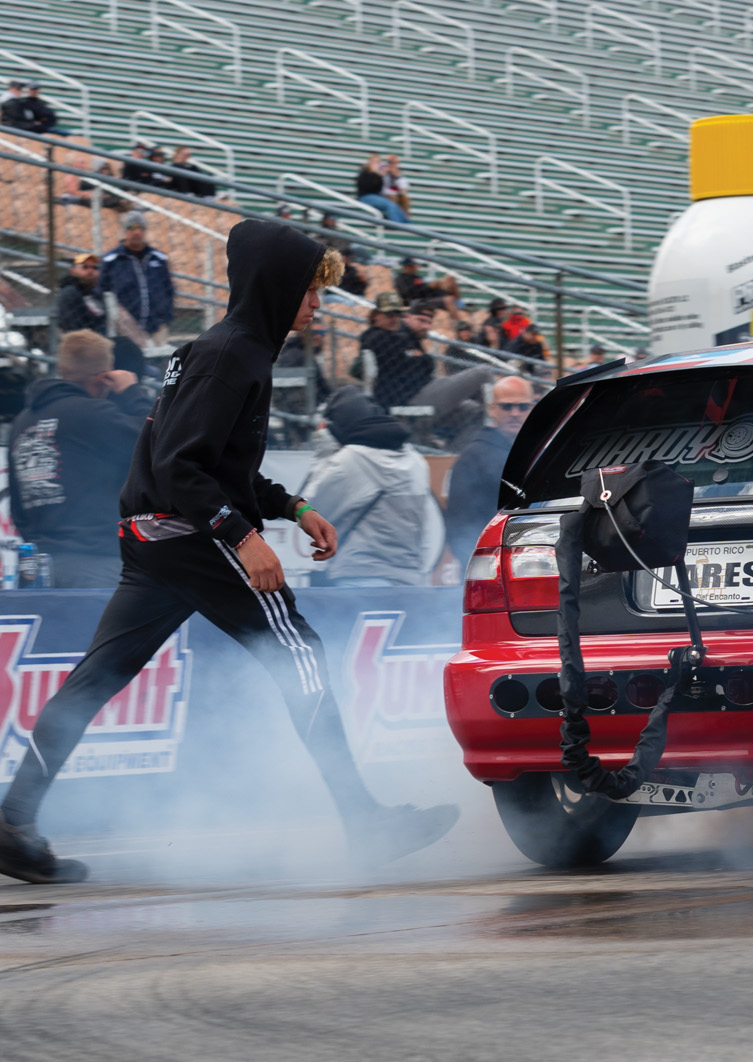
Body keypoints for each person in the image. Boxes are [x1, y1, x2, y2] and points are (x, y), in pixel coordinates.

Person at [0, 219, 459, 884]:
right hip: (190, 537)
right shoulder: (233, 354)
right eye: (309, 290)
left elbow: (217, 465)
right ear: (276, 286)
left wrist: (293, 507)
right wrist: (243, 537)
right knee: (300, 651)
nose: (317, 304)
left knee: (96, 678)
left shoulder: (220, 349)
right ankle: (365, 822)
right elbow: (181, 464)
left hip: (153, 538)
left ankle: (13, 821)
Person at [7, 331, 153, 589]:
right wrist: (131, 392)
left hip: (40, 566)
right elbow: (155, 440)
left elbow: (17, 506)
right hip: (97, 564)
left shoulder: (22, 421)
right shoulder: (91, 414)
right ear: (103, 377)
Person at [299, 387, 442, 586]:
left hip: (359, 575)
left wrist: (325, 448)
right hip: (408, 577)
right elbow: (426, 527)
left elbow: (312, 509)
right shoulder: (415, 460)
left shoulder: (352, 459)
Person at [444, 374, 534, 565]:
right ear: (492, 409)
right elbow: (458, 523)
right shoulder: (472, 457)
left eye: (522, 406)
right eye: (507, 406)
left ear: (532, 408)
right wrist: (480, 564)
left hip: (531, 560)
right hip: (489, 564)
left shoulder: (538, 452)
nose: (515, 413)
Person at [100, 212, 175, 341]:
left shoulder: (158, 258)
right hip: (125, 329)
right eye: (131, 228)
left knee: (161, 353)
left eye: (140, 228)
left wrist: (165, 318)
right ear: (124, 231)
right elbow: (102, 290)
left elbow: (168, 288)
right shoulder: (111, 260)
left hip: (157, 326)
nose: (136, 232)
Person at [359, 292, 434, 408]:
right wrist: (422, 358)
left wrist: (418, 358)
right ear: (376, 315)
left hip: (414, 393)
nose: (395, 319)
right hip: (407, 398)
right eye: (389, 314)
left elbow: (425, 365)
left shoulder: (395, 337)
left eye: (397, 314)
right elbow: (409, 366)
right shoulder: (379, 338)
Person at [355, 153, 407, 223]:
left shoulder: (378, 174)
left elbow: (379, 189)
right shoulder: (365, 171)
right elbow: (366, 188)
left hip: (375, 196)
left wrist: (379, 176)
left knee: (396, 205)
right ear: (370, 162)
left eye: (378, 162)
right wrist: (375, 175)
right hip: (365, 197)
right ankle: (398, 225)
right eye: (375, 162)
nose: (377, 164)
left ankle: (408, 225)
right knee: (390, 205)